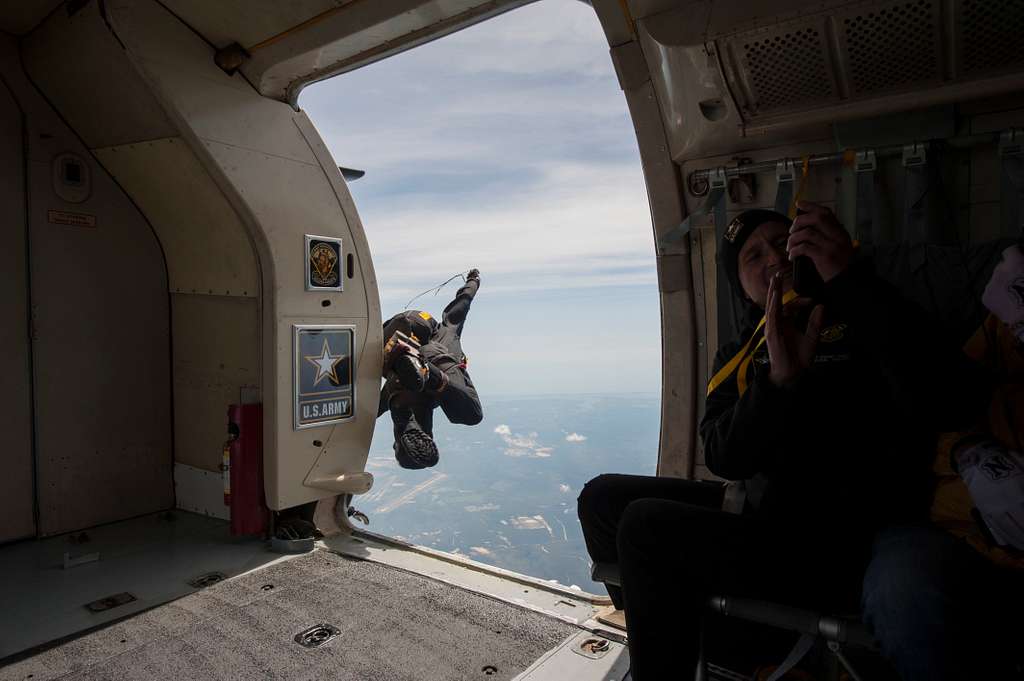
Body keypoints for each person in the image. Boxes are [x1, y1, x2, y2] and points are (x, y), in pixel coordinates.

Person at [577, 203, 986, 680]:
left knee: (647, 526)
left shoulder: (869, 313)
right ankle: (714, 644)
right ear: (745, 290)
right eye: (753, 256)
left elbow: (954, 400)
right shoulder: (742, 354)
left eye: (783, 242)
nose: (773, 258)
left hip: (845, 537)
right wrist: (777, 383)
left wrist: (848, 280)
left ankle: (708, 659)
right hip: (766, 516)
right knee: (602, 499)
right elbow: (723, 455)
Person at [861, 244, 1024, 681]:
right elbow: (948, 401)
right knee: (901, 588)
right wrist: (965, 453)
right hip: (958, 531)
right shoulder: (1006, 314)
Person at [379, 269, 484, 469]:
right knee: (402, 400)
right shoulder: (443, 336)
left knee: (472, 415)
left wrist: (473, 282)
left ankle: (425, 373)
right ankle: (409, 396)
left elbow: (460, 308)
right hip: (395, 347)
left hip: (419, 345)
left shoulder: (446, 335)